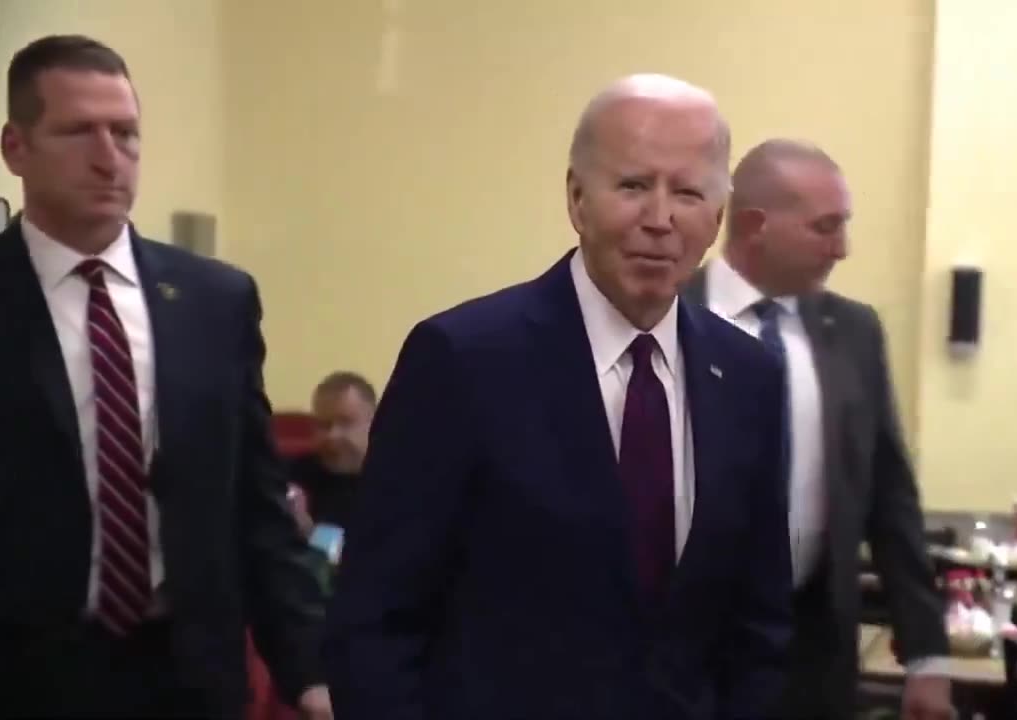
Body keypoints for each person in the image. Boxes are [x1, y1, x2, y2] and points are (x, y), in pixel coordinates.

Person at [324, 74, 792, 720]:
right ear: (577, 199)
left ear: (717, 216)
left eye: (687, 192)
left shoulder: (749, 380)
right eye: (632, 186)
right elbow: (374, 621)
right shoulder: (463, 360)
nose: (659, 218)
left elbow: (758, 627)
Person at [0, 35, 330, 719]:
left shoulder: (214, 300)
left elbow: (256, 505)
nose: (108, 156)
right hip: (27, 678)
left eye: (125, 133)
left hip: (189, 676)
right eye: (78, 132)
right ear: (15, 148)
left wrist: (310, 671)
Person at [683, 139, 951, 720]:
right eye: (824, 228)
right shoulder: (664, 317)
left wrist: (927, 656)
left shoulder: (852, 332)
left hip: (814, 653)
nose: (842, 248)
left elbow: (890, 494)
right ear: (755, 225)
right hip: (684, 655)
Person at [288, 371, 377, 532]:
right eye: (324, 424)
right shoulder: (292, 475)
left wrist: (310, 534)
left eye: (345, 422)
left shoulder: (398, 483)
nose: (332, 435)